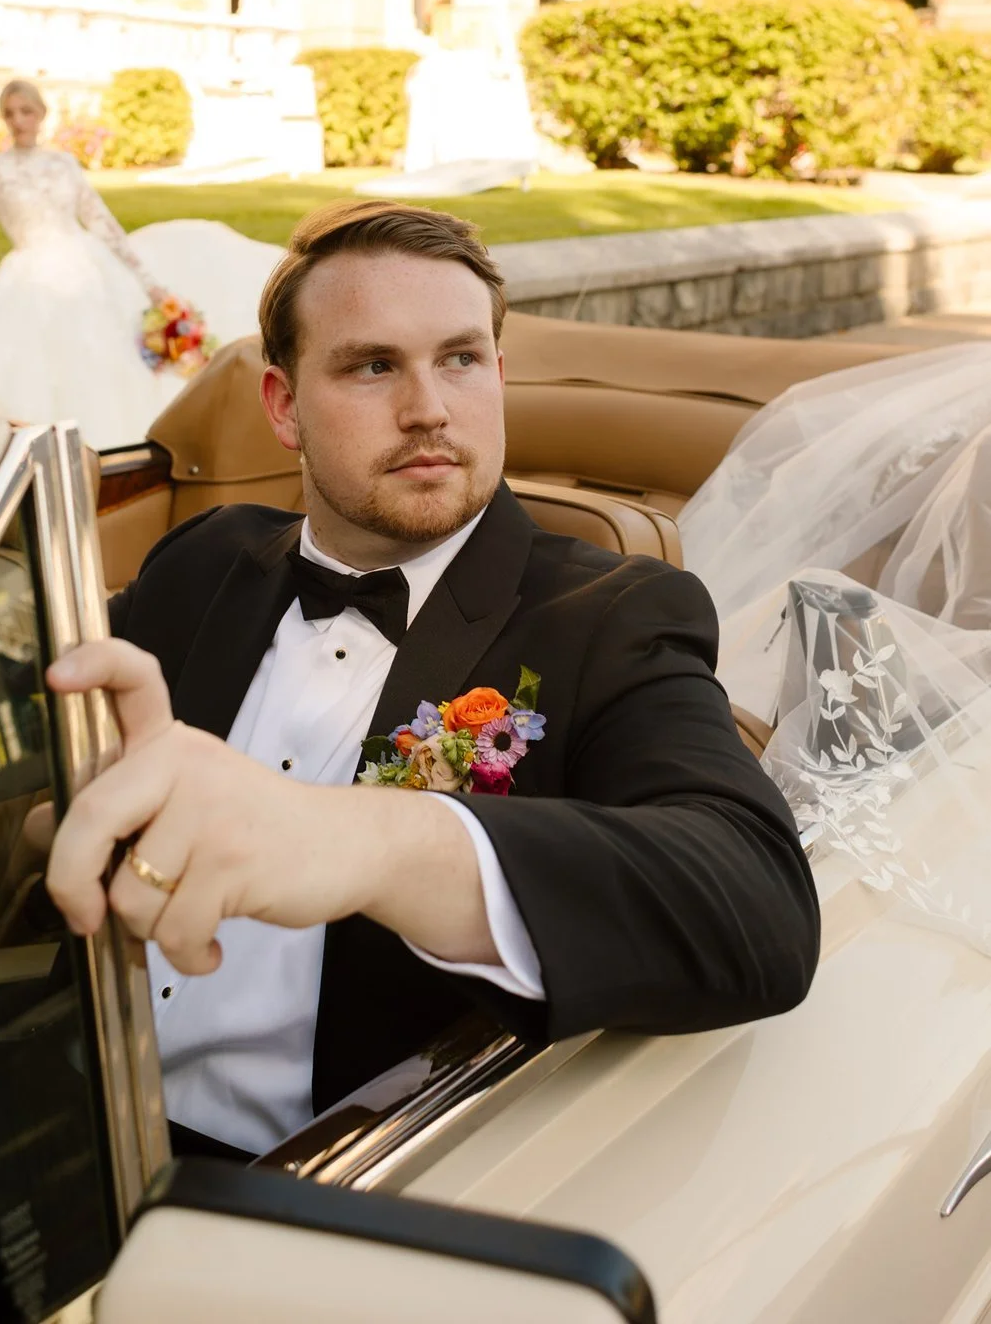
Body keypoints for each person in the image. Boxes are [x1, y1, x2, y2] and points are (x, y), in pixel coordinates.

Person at [43, 200, 820, 1160]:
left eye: (459, 359)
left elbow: (758, 913)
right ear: (283, 407)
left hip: (320, 1181)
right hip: (65, 1107)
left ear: (497, 374)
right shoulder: (203, 559)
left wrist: (375, 842)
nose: (428, 410)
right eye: (373, 366)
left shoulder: (610, 616)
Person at [0, 79, 188, 449]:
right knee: (26, 365)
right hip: (26, 271)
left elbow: (101, 222)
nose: (18, 121)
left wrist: (147, 281)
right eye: (10, 113)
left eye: (26, 111)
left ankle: (108, 443)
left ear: (41, 114)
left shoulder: (63, 164)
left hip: (82, 266)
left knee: (99, 354)